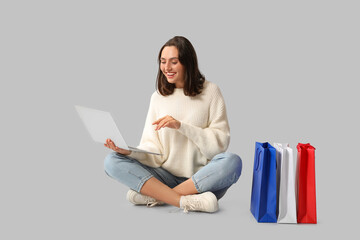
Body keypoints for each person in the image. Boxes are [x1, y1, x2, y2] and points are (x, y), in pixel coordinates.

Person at [104, 36, 242, 213]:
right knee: (111, 161)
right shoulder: (157, 98)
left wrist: (181, 126)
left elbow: (219, 145)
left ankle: (158, 196)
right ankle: (185, 202)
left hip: (202, 179)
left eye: (173, 62)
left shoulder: (211, 92)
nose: (166, 68)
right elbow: (153, 149)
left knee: (232, 162)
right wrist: (129, 152)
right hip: (164, 176)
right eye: (162, 62)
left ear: (187, 63)